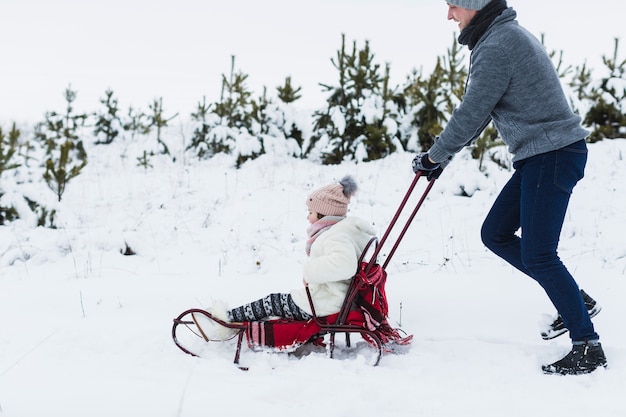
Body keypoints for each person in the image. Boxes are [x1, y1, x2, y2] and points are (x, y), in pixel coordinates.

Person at [411, 0, 607, 375]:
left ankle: (588, 346)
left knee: (539, 255)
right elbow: (481, 112)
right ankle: (574, 303)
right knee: (495, 233)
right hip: (542, 155)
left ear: (473, 5)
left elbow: (472, 112)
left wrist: (435, 156)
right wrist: (442, 156)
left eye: (453, 6)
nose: (448, 15)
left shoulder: (498, 44)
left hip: (551, 153)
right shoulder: (498, 37)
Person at [206, 175, 376, 338]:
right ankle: (238, 322)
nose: (307, 217)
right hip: (330, 298)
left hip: (328, 303)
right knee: (276, 303)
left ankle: (226, 319)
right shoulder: (341, 232)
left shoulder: (335, 236)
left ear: (324, 214)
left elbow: (344, 265)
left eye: (311, 212)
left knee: (272, 302)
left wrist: (309, 271)